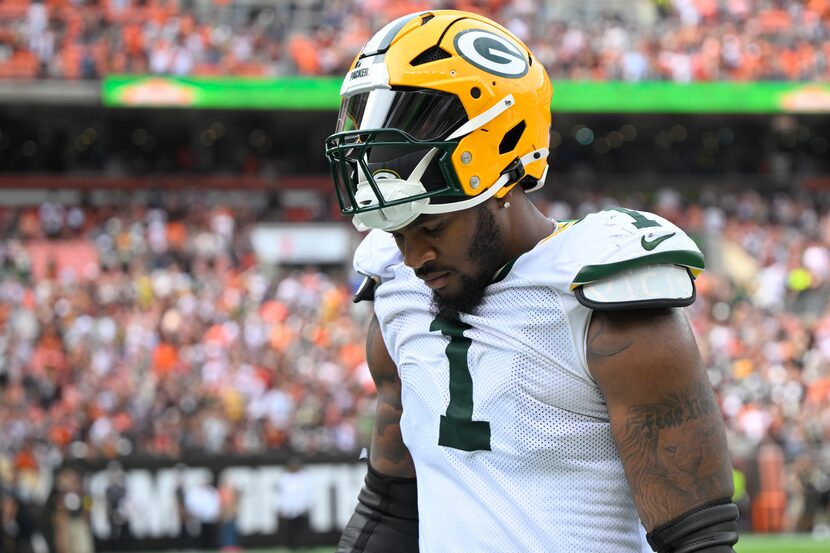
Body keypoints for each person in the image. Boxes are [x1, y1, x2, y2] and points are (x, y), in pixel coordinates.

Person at [325, 9, 739, 553]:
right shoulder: (396, 288)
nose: (415, 255)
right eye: (395, 230)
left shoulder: (609, 307)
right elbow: (390, 510)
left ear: (500, 180)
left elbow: (698, 543)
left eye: (430, 224)